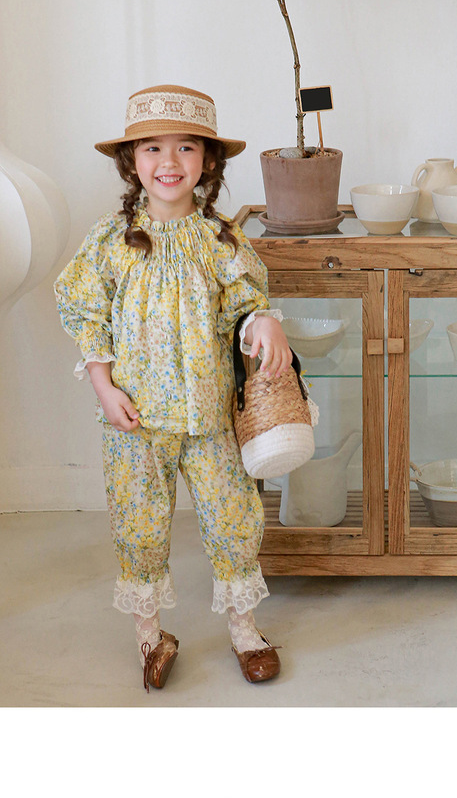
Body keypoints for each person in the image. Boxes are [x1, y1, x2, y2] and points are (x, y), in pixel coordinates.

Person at [54, 84, 292, 691]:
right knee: (139, 526)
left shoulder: (220, 240)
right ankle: (150, 636)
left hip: (210, 416)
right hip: (135, 419)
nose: (169, 162)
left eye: (185, 147)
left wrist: (263, 321)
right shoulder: (111, 241)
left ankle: (245, 630)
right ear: (131, 160)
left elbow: (245, 303)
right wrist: (104, 387)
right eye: (152, 148)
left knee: (234, 519)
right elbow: (85, 312)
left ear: (207, 161)